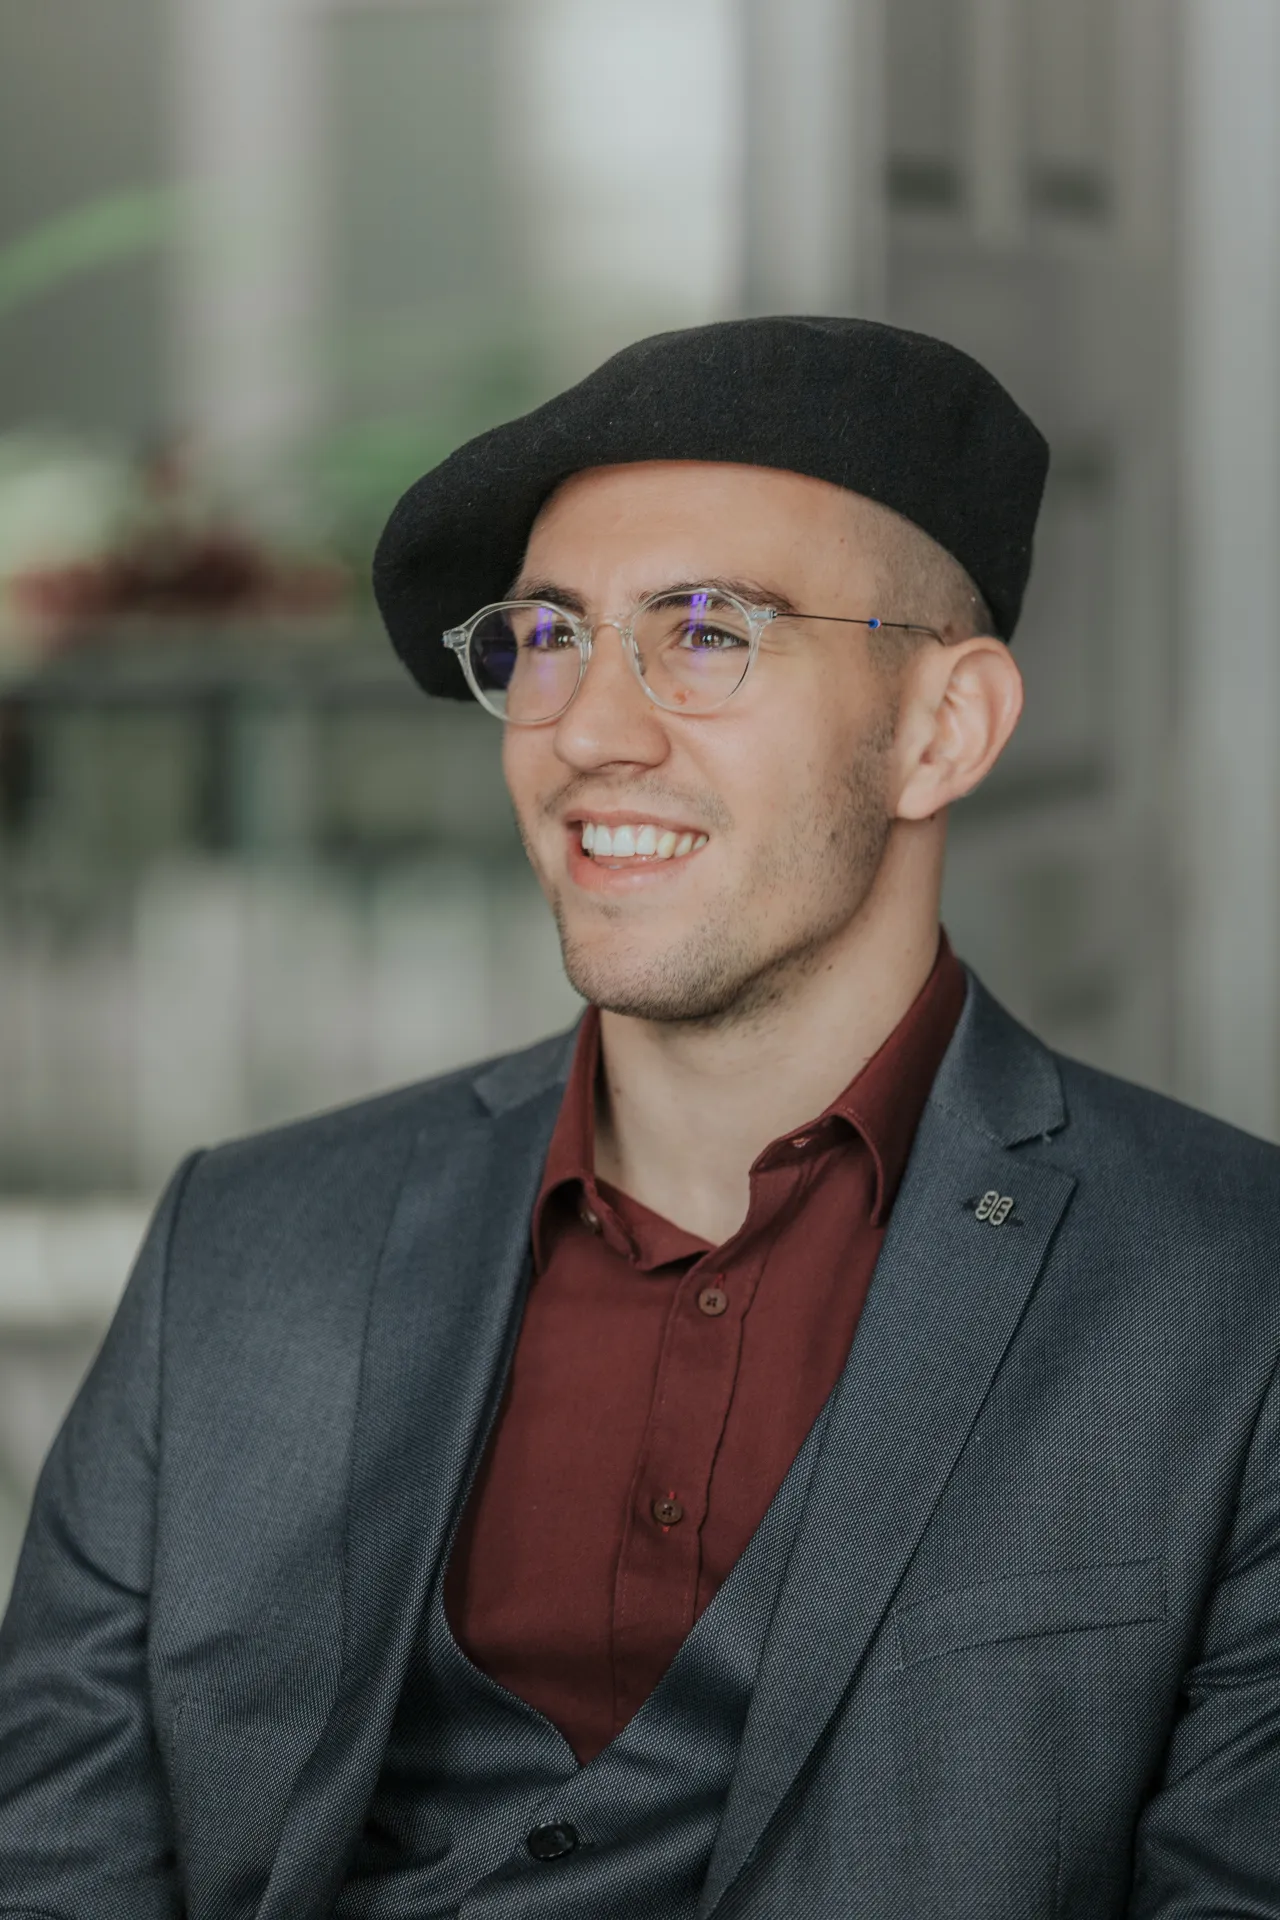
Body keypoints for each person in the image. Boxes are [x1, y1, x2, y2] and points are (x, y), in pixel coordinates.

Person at [1, 316, 1278, 1920]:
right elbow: (54, 1867)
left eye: (705, 632)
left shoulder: (1235, 1298)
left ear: (942, 730)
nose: (591, 730)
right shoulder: (242, 1250)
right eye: (547, 638)